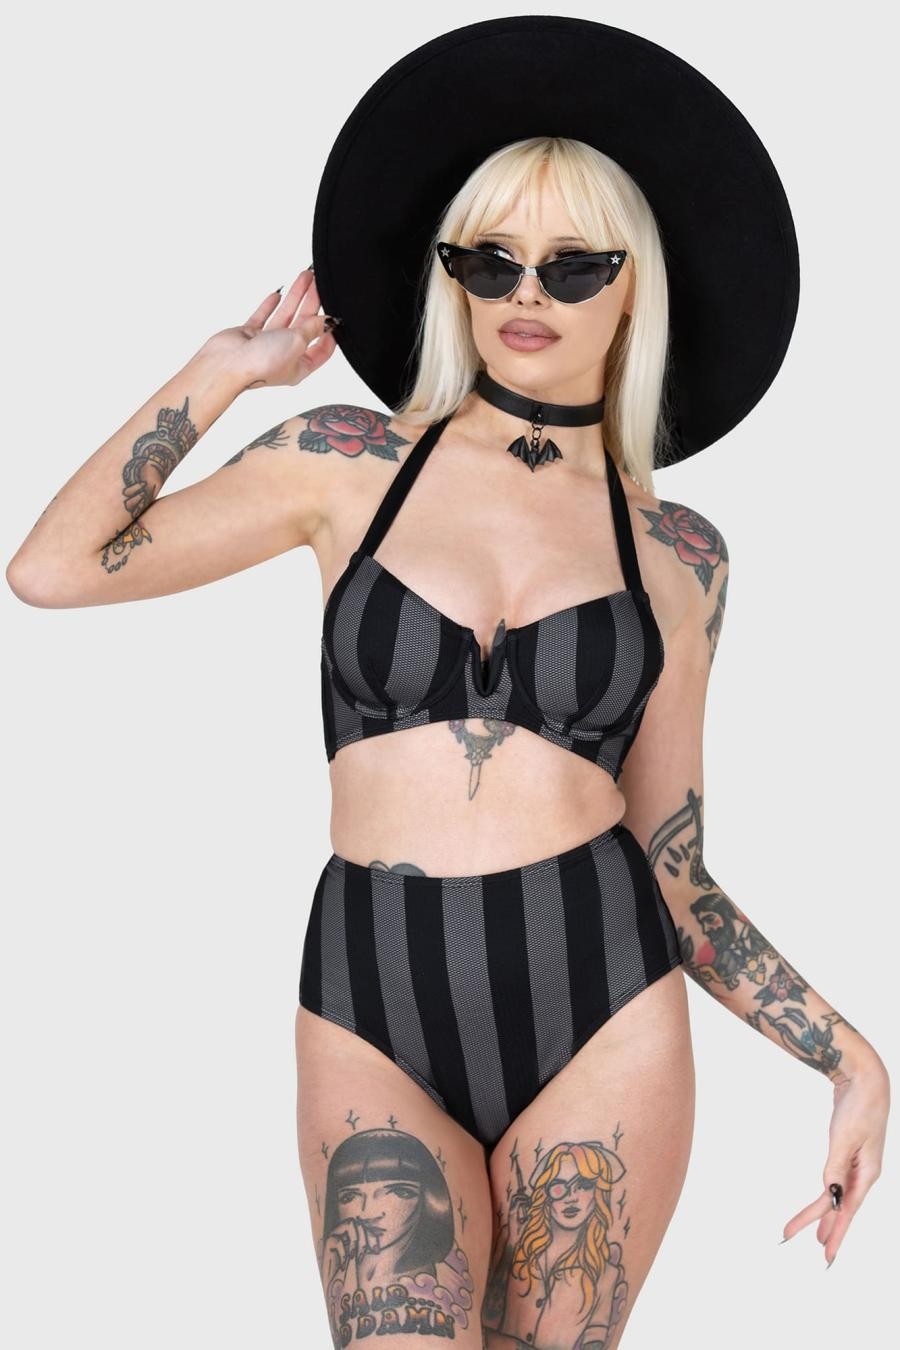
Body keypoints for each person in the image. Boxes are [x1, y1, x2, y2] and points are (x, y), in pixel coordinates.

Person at [6, 16, 889, 1349]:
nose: (527, 292)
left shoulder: (679, 554)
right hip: (373, 993)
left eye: (574, 265)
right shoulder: (342, 461)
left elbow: (678, 868)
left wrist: (849, 1056)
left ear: (635, 287)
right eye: (490, 258)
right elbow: (54, 569)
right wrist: (224, 370)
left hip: (603, 999)